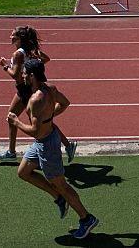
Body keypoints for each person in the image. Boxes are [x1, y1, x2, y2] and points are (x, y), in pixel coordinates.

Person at [8, 59, 98, 239]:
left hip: (46, 145)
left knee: (62, 184)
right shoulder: (51, 90)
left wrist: (16, 122)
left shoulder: (36, 100)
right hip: (43, 141)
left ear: (32, 76)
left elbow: (33, 130)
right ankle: (59, 198)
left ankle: (86, 218)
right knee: (24, 172)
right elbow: (65, 103)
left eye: (24, 73)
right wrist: (48, 118)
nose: (22, 75)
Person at [0, 26, 77, 162]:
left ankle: (67, 145)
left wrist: (5, 66)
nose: (10, 37)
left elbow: (15, 75)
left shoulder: (18, 54)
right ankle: (11, 151)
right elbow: (46, 59)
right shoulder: (28, 51)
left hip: (25, 90)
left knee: (39, 123)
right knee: (14, 117)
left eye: (13, 35)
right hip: (24, 89)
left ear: (19, 38)